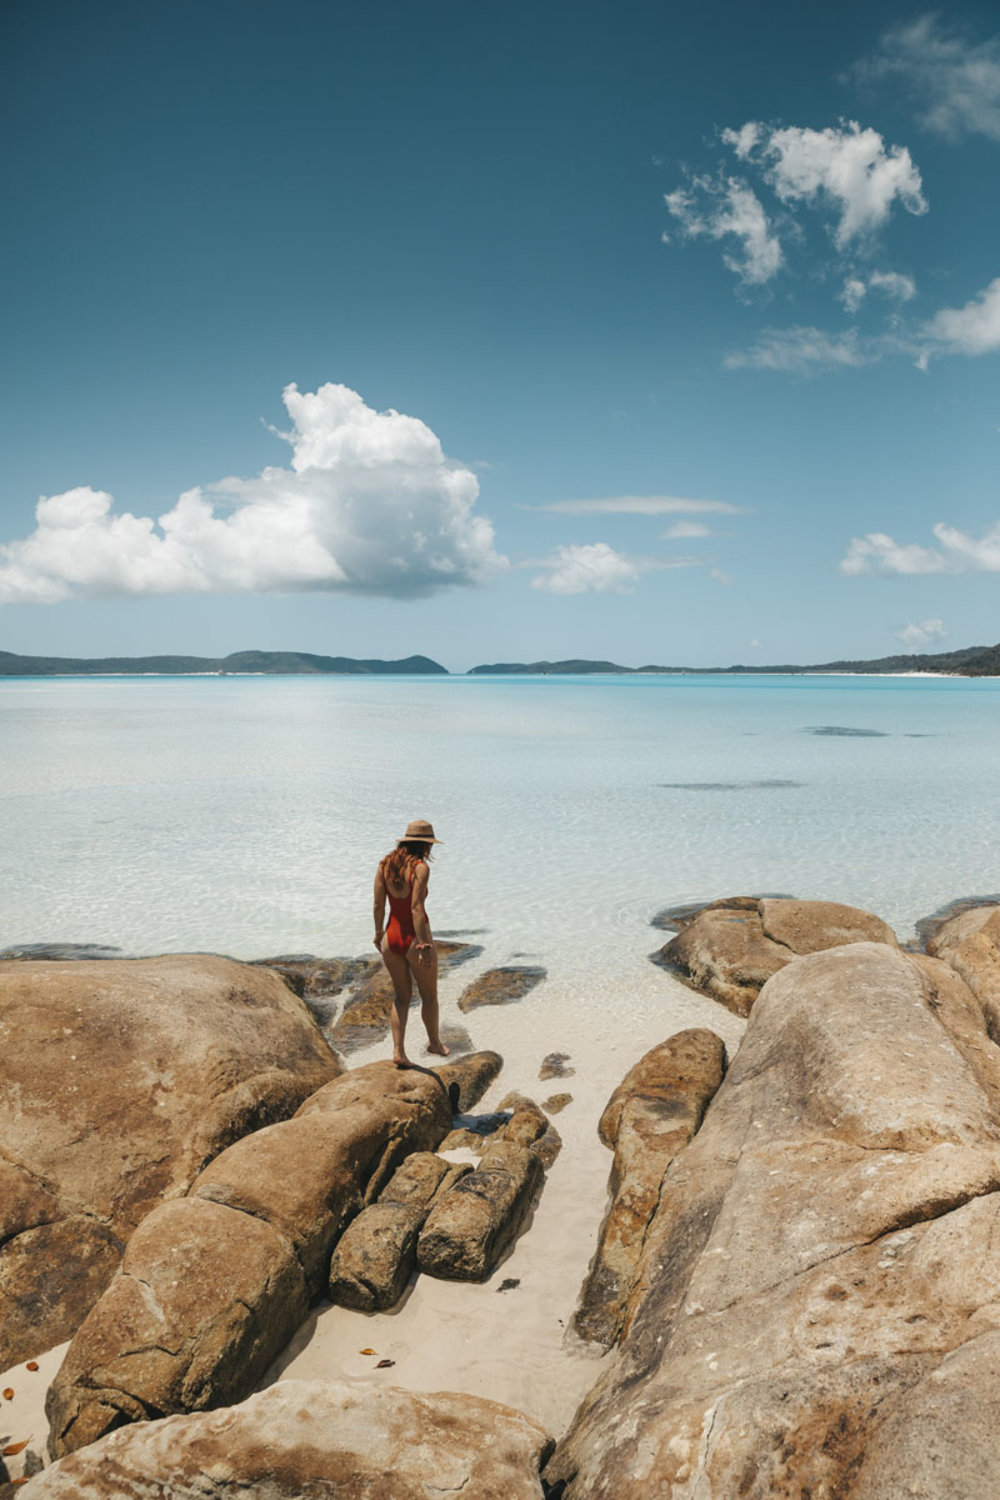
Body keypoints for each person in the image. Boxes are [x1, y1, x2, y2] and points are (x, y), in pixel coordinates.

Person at [373, 818, 450, 1067]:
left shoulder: (384, 865)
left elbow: (378, 904)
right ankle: (435, 1044)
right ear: (425, 845)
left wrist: (378, 933)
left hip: (390, 937)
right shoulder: (420, 869)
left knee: (401, 997)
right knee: (429, 995)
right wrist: (423, 945)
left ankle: (398, 1051)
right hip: (413, 938)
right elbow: (416, 909)